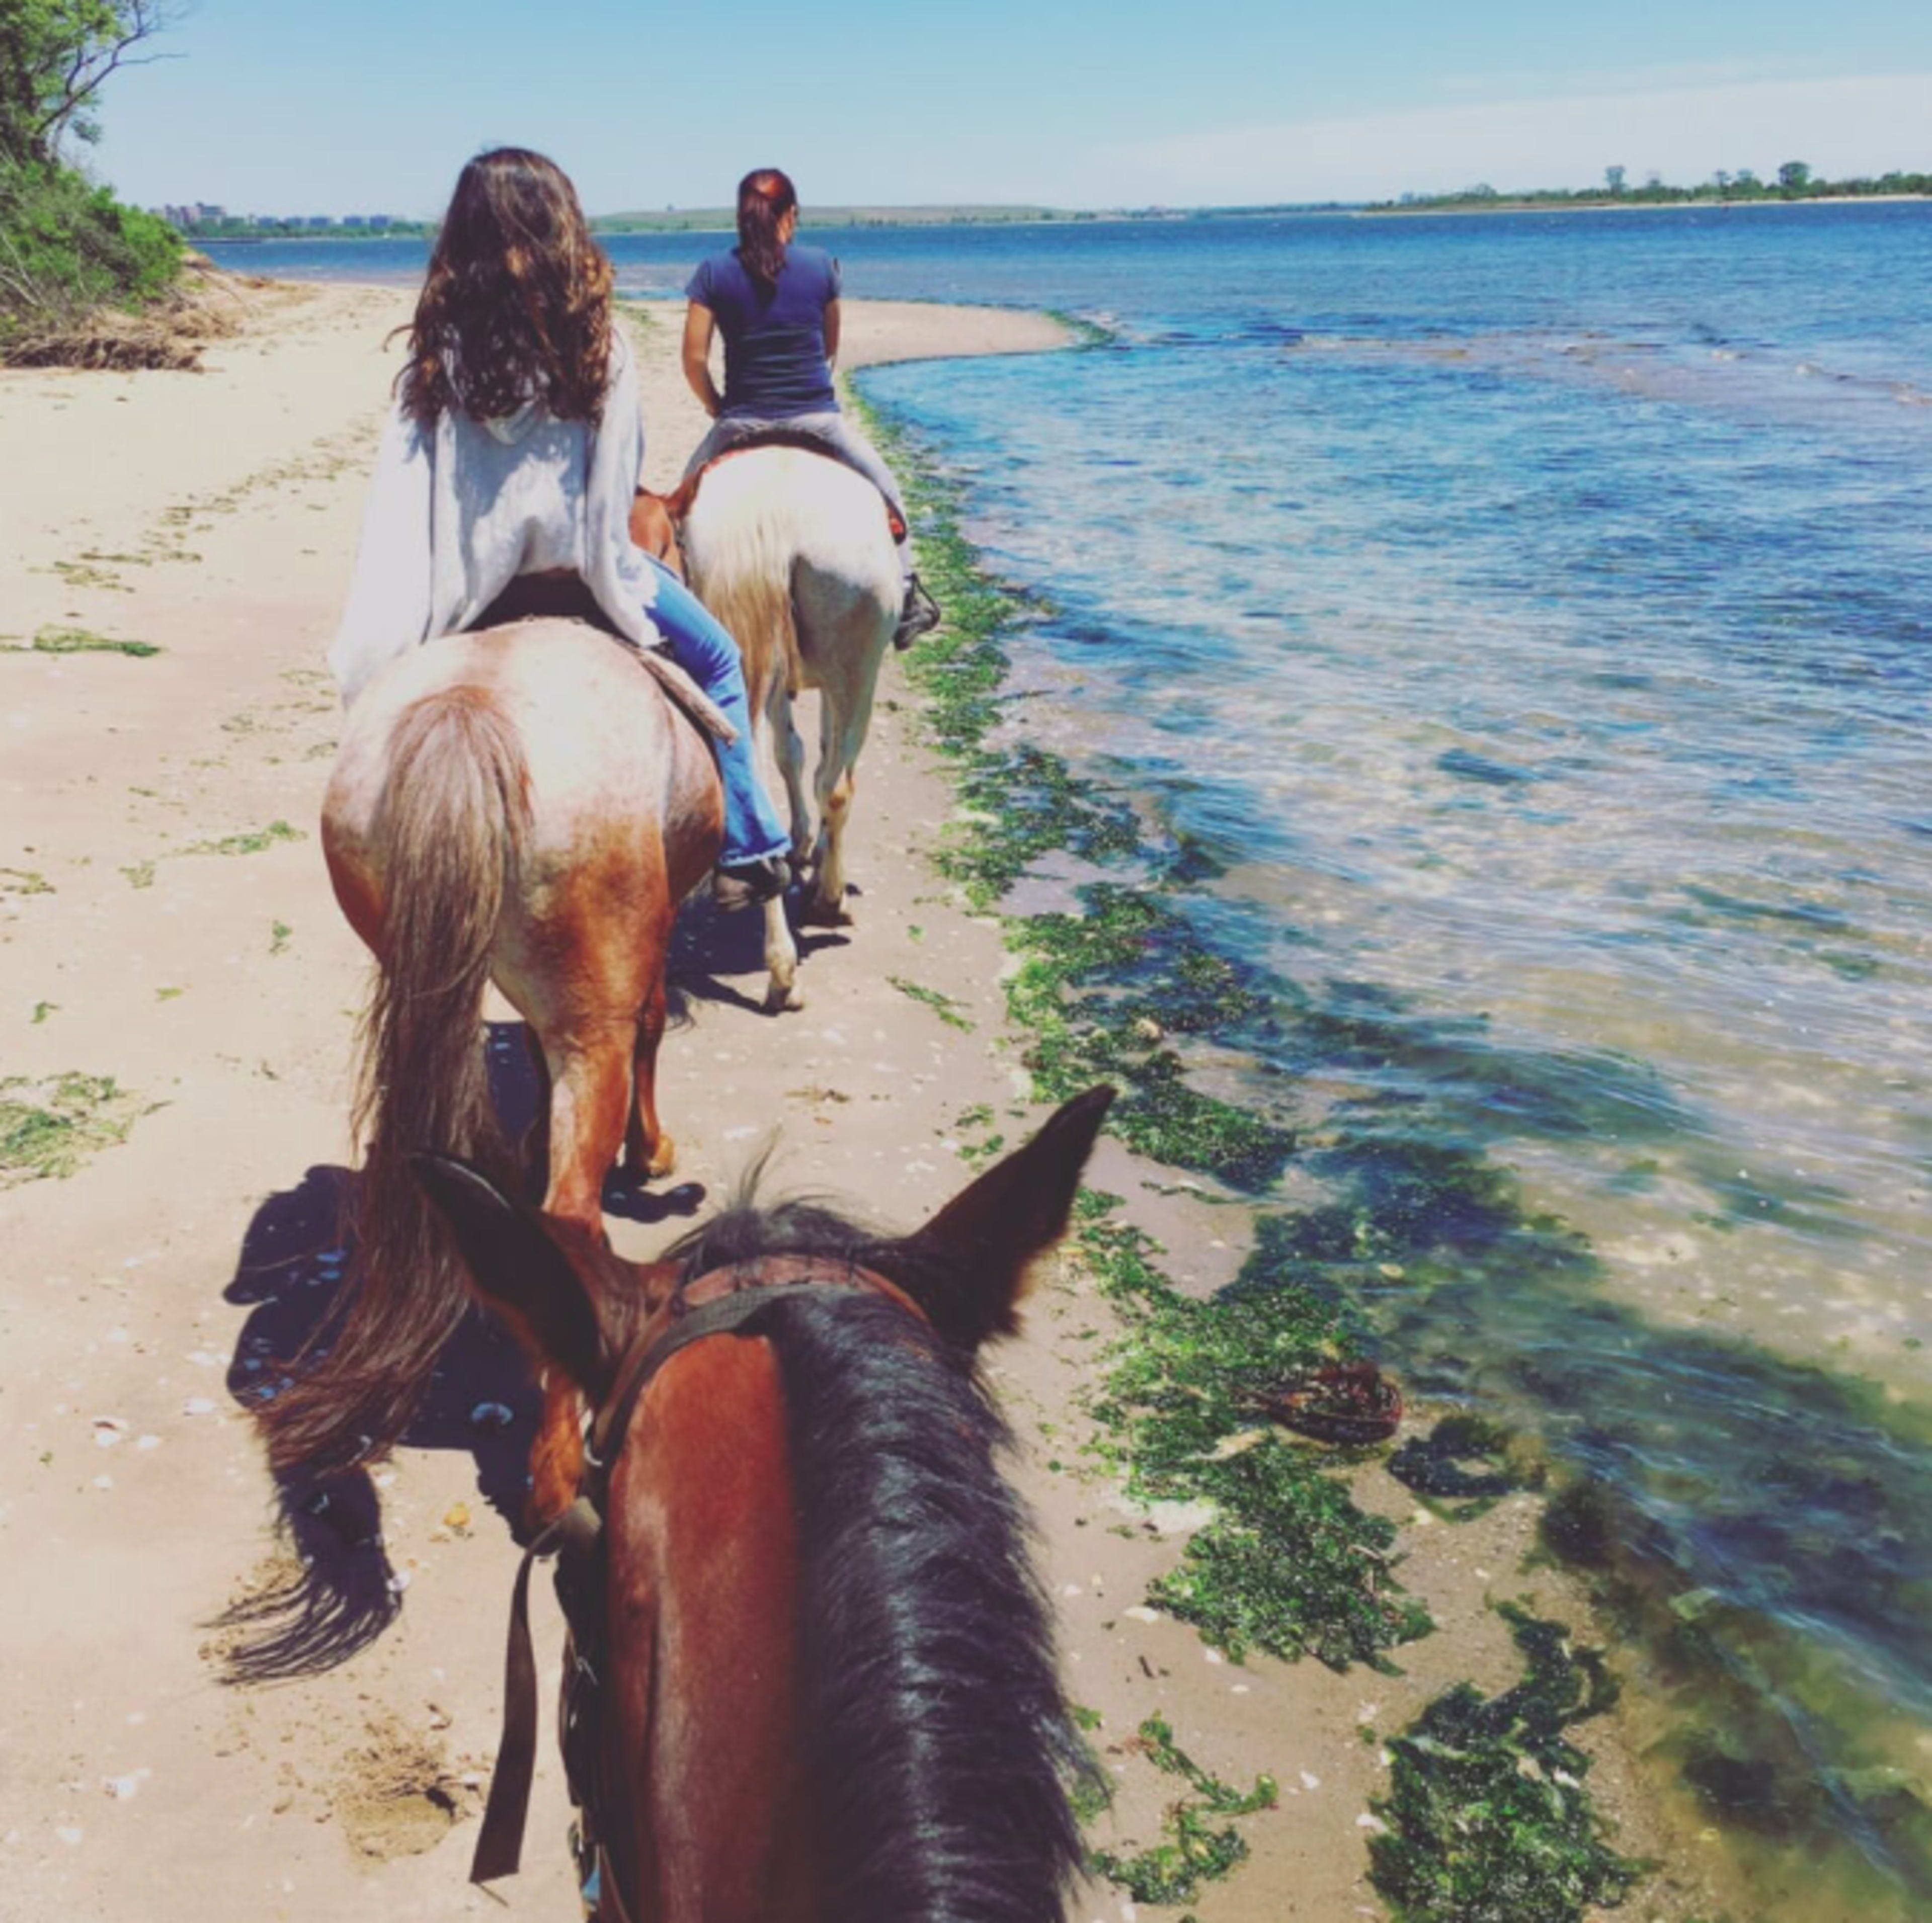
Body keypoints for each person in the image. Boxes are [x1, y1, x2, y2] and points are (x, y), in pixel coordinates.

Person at [329, 146, 791, 907]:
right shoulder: (598, 346)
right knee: (716, 660)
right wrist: (608, 569)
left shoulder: (437, 358)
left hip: (467, 589)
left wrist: (389, 638)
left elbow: (405, 498)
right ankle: (750, 841)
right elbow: (616, 486)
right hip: (581, 577)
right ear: (564, 230)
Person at [681, 167, 941, 650]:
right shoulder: (822, 266)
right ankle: (906, 597)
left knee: (680, 506)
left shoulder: (713, 272)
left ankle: (679, 601)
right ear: (791, 216)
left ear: (741, 217)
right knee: (887, 488)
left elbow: (694, 358)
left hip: (741, 421)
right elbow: (829, 346)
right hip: (818, 420)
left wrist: (718, 406)